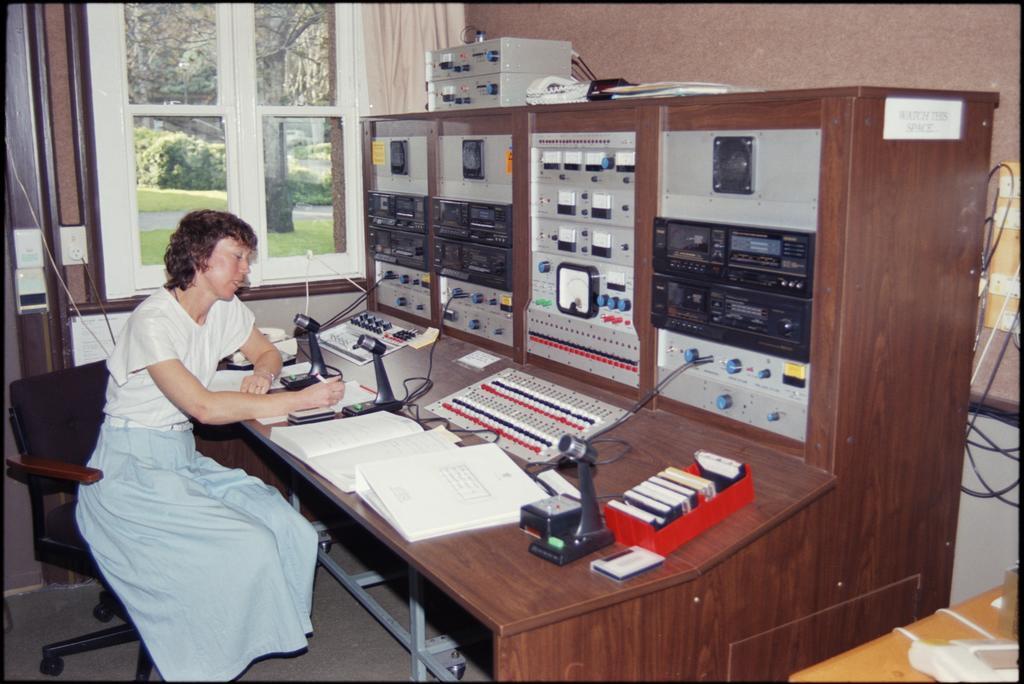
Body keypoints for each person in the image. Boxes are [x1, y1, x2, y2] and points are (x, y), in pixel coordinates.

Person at [75, 209, 345, 681]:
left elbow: (265, 351)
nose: (245, 270)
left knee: (291, 530)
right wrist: (300, 398)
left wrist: (264, 374)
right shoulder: (153, 321)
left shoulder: (223, 308)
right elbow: (203, 408)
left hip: (181, 459)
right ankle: (205, 663)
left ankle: (253, 636)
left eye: (247, 259)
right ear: (200, 259)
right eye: (236, 258)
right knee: (247, 545)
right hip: (130, 469)